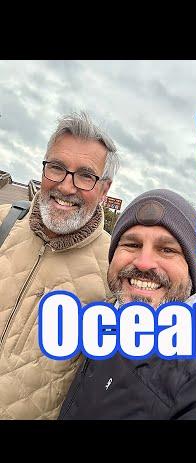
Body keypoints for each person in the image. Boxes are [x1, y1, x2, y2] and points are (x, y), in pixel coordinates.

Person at [58, 189, 196, 420]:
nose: (143, 263)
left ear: (192, 271)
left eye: (167, 249)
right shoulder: (106, 319)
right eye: (132, 244)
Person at [0, 112, 119, 419]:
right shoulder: (3, 220)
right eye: (57, 168)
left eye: (85, 175)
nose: (67, 187)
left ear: (104, 190)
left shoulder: (114, 269)